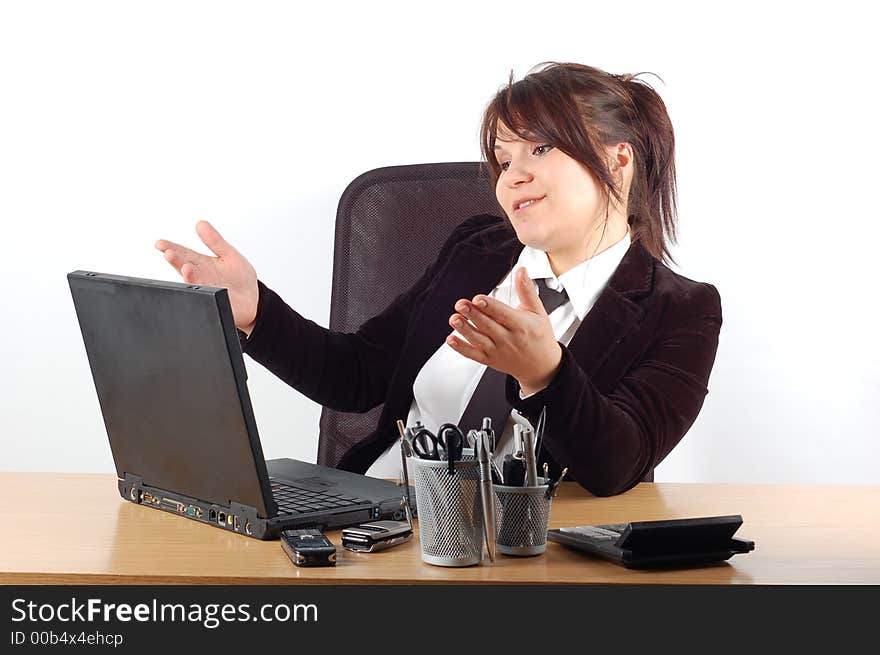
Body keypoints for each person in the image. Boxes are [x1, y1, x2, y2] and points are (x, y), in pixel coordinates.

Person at [155, 62, 721, 497]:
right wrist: (255, 311)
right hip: (378, 523)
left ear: (618, 160)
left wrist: (545, 375)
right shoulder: (476, 250)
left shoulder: (682, 311)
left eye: (541, 148)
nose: (513, 175)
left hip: (525, 559)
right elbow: (357, 375)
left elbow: (618, 466)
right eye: (502, 160)